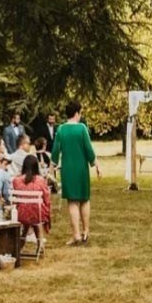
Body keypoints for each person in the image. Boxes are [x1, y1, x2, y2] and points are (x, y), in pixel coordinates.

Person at [54, 100, 98, 246]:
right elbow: (89, 149)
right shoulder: (82, 128)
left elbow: (55, 151)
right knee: (84, 199)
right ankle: (86, 231)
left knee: (72, 201)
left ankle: (76, 234)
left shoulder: (61, 129)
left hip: (68, 169)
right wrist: (96, 164)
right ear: (77, 113)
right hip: (81, 169)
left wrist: (52, 166)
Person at [12, 155, 51, 242]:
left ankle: (23, 238)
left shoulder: (16, 181)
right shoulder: (41, 181)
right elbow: (47, 199)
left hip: (21, 214)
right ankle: (39, 242)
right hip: (37, 214)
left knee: (28, 210)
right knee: (36, 212)